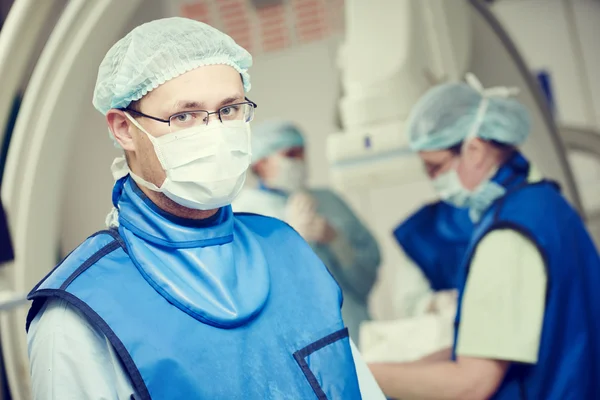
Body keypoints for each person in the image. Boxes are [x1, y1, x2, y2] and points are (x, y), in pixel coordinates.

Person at [25, 18, 386, 400]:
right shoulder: (82, 312)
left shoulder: (288, 250)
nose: (215, 134)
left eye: (229, 110)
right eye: (184, 116)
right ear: (124, 129)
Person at [368, 74, 600, 399]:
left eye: (434, 168)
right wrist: (413, 367)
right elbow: (496, 347)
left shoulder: (506, 236)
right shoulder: (542, 200)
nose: (433, 180)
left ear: (474, 150)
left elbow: (472, 383)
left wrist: (363, 375)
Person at [232, 120, 381, 341]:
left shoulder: (329, 201)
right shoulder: (243, 213)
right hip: (296, 340)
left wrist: (338, 243)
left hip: (354, 332)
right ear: (261, 163)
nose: (300, 161)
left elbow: (366, 278)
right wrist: (290, 241)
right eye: (290, 154)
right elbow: (247, 292)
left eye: (302, 153)